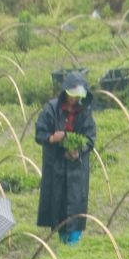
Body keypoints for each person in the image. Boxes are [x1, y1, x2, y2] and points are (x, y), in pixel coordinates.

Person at [34, 70, 97, 245]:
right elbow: (40, 133)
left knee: (76, 203)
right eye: (72, 95)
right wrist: (53, 138)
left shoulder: (85, 111)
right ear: (65, 93)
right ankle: (63, 240)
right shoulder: (51, 109)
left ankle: (74, 243)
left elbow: (90, 138)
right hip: (56, 166)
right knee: (58, 202)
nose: (75, 100)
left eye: (78, 96)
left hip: (77, 168)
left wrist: (79, 150)